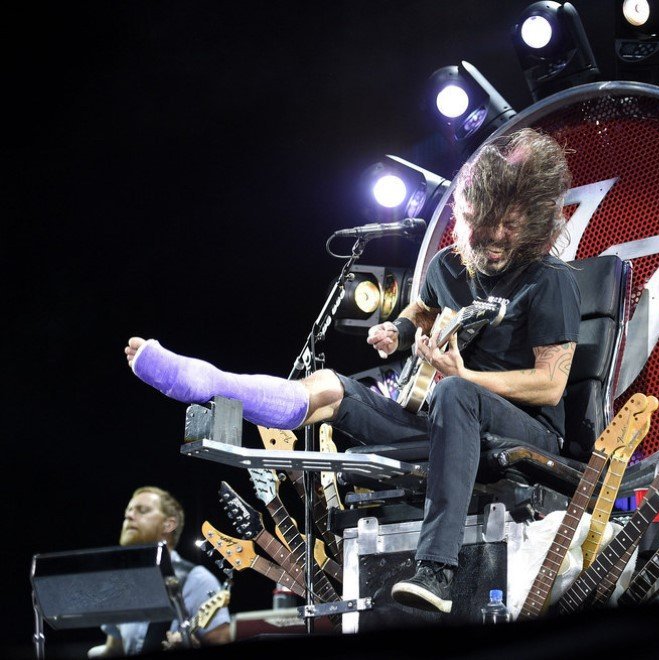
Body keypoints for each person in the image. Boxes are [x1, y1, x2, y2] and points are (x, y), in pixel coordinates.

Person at [123, 127, 581, 614]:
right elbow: (421, 312)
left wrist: (467, 379)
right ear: (466, 218)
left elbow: (550, 385)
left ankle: (438, 572)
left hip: (527, 433)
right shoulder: (448, 266)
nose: (497, 237)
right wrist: (398, 333)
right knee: (332, 388)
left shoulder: (549, 281)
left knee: (453, 395)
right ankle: (215, 385)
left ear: (533, 219)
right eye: (486, 224)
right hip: (451, 424)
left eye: (511, 225)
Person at [90, 486, 232, 655]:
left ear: (169, 525)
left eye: (142, 511)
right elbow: (115, 649)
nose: (129, 516)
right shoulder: (120, 585)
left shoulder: (198, 580)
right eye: (128, 511)